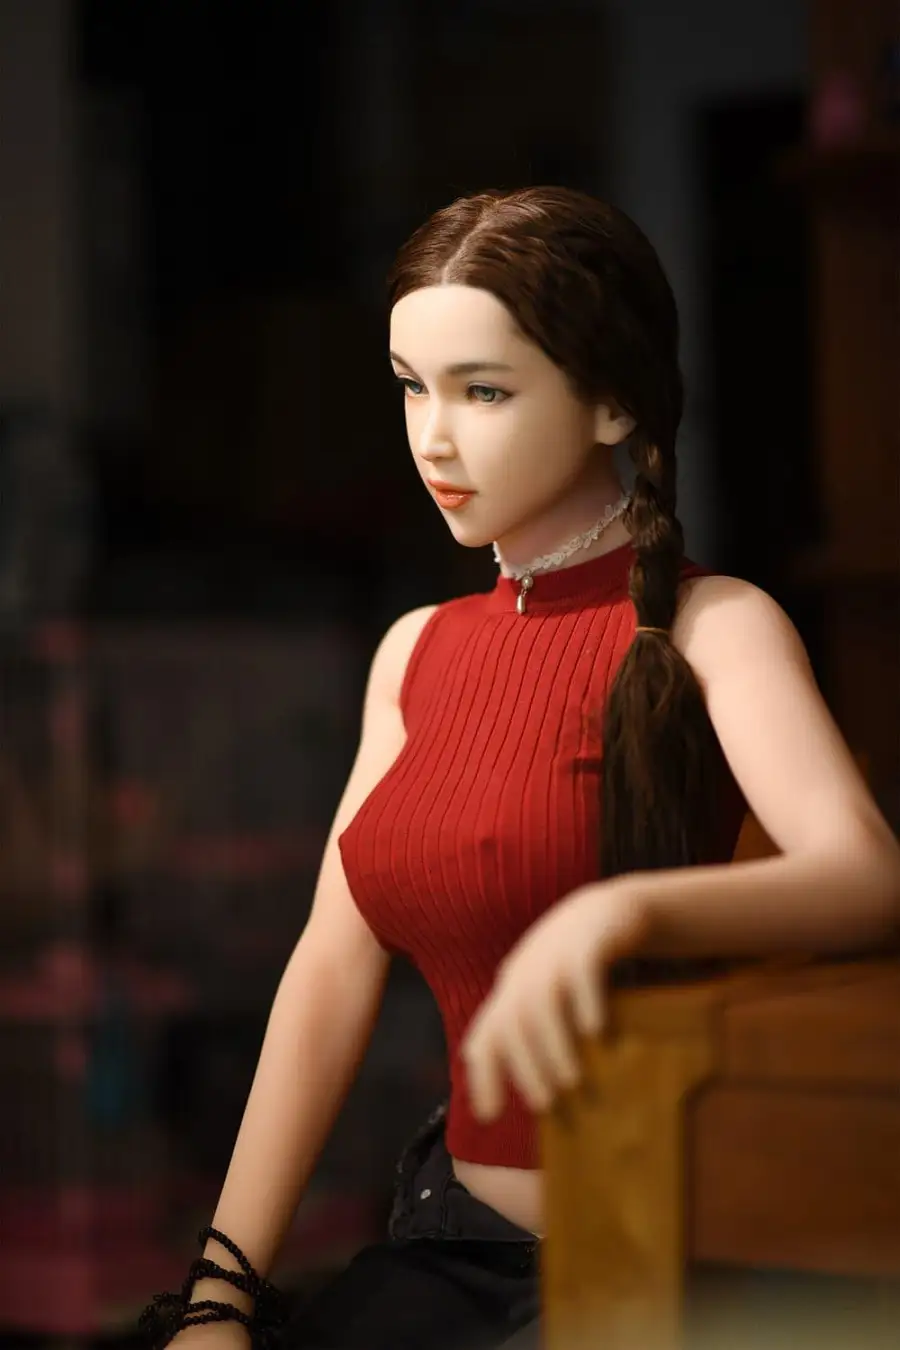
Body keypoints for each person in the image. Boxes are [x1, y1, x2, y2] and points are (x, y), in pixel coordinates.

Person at [139, 186, 900, 1350]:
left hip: (651, 1250)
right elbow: (331, 969)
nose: (433, 439)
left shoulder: (714, 627)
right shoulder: (416, 652)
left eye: (483, 391)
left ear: (612, 402)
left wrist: (618, 916)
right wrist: (218, 1295)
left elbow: (867, 874)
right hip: (449, 1242)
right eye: (411, 386)